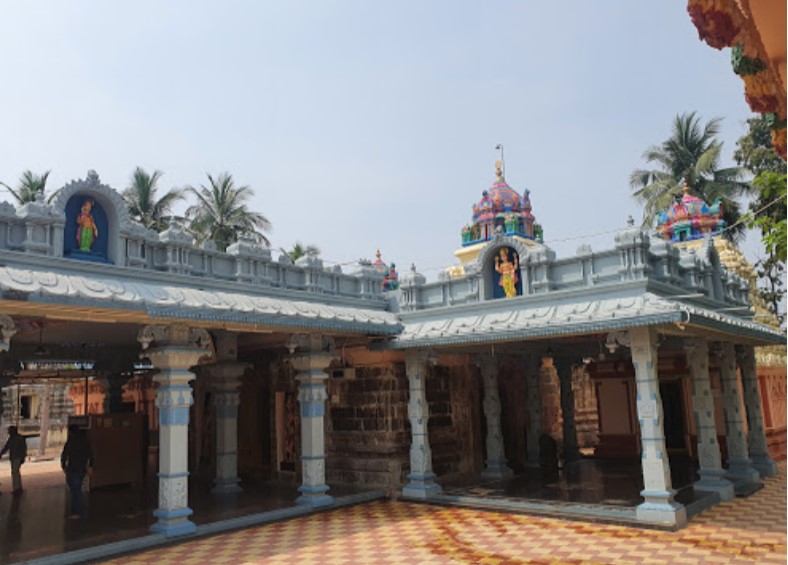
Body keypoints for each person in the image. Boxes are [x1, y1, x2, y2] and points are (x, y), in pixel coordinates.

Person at [60, 425, 92, 518]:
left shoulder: (70, 442)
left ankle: (77, 511)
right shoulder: (85, 442)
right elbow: (90, 455)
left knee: (75, 491)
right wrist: (90, 466)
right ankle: (77, 510)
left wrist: (63, 466)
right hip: (82, 468)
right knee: (77, 489)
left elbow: (64, 455)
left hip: (72, 468)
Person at [0, 426, 27, 494]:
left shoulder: (15, 439)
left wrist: (1, 453)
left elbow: (7, 447)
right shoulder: (18, 438)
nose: (9, 432)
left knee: (15, 473)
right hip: (15, 457)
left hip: (16, 457)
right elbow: (7, 447)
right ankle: (18, 487)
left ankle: (16, 488)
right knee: (16, 472)